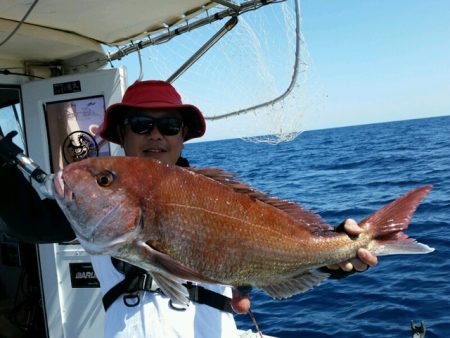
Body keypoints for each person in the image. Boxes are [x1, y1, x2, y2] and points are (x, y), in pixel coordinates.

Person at [0, 80, 377, 337]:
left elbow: (280, 249)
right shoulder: (99, 203)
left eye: (169, 124)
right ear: (122, 134)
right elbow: (29, 223)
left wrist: (338, 256)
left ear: (183, 134)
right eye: (141, 124)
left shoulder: (217, 197)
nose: (156, 134)